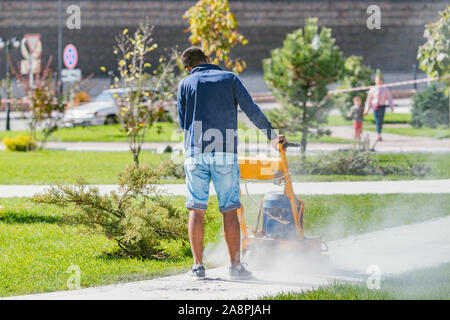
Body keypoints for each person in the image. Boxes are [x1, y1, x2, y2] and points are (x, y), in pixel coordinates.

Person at [177, 47, 286, 280]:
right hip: (224, 151)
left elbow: (182, 121)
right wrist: (273, 136)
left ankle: (198, 267)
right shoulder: (230, 78)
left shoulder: (185, 84)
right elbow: (251, 110)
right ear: (208, 60)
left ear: (188, 68)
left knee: (196, 209)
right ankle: (236, 267)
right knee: (229, 210)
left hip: (195, 152)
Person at [364, 74, 394, 141]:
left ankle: (379, 132)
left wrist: (391, 106)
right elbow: (369, 100)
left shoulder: (385, 89)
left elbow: (389, 98)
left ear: (381, 81)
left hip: (382, 106)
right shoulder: (373, 89)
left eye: (379, 80)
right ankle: (379, 134)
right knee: (377, 120)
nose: (378, 81)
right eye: (376, 80)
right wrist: (366, 110)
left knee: (380, 120)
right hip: (375, 107)